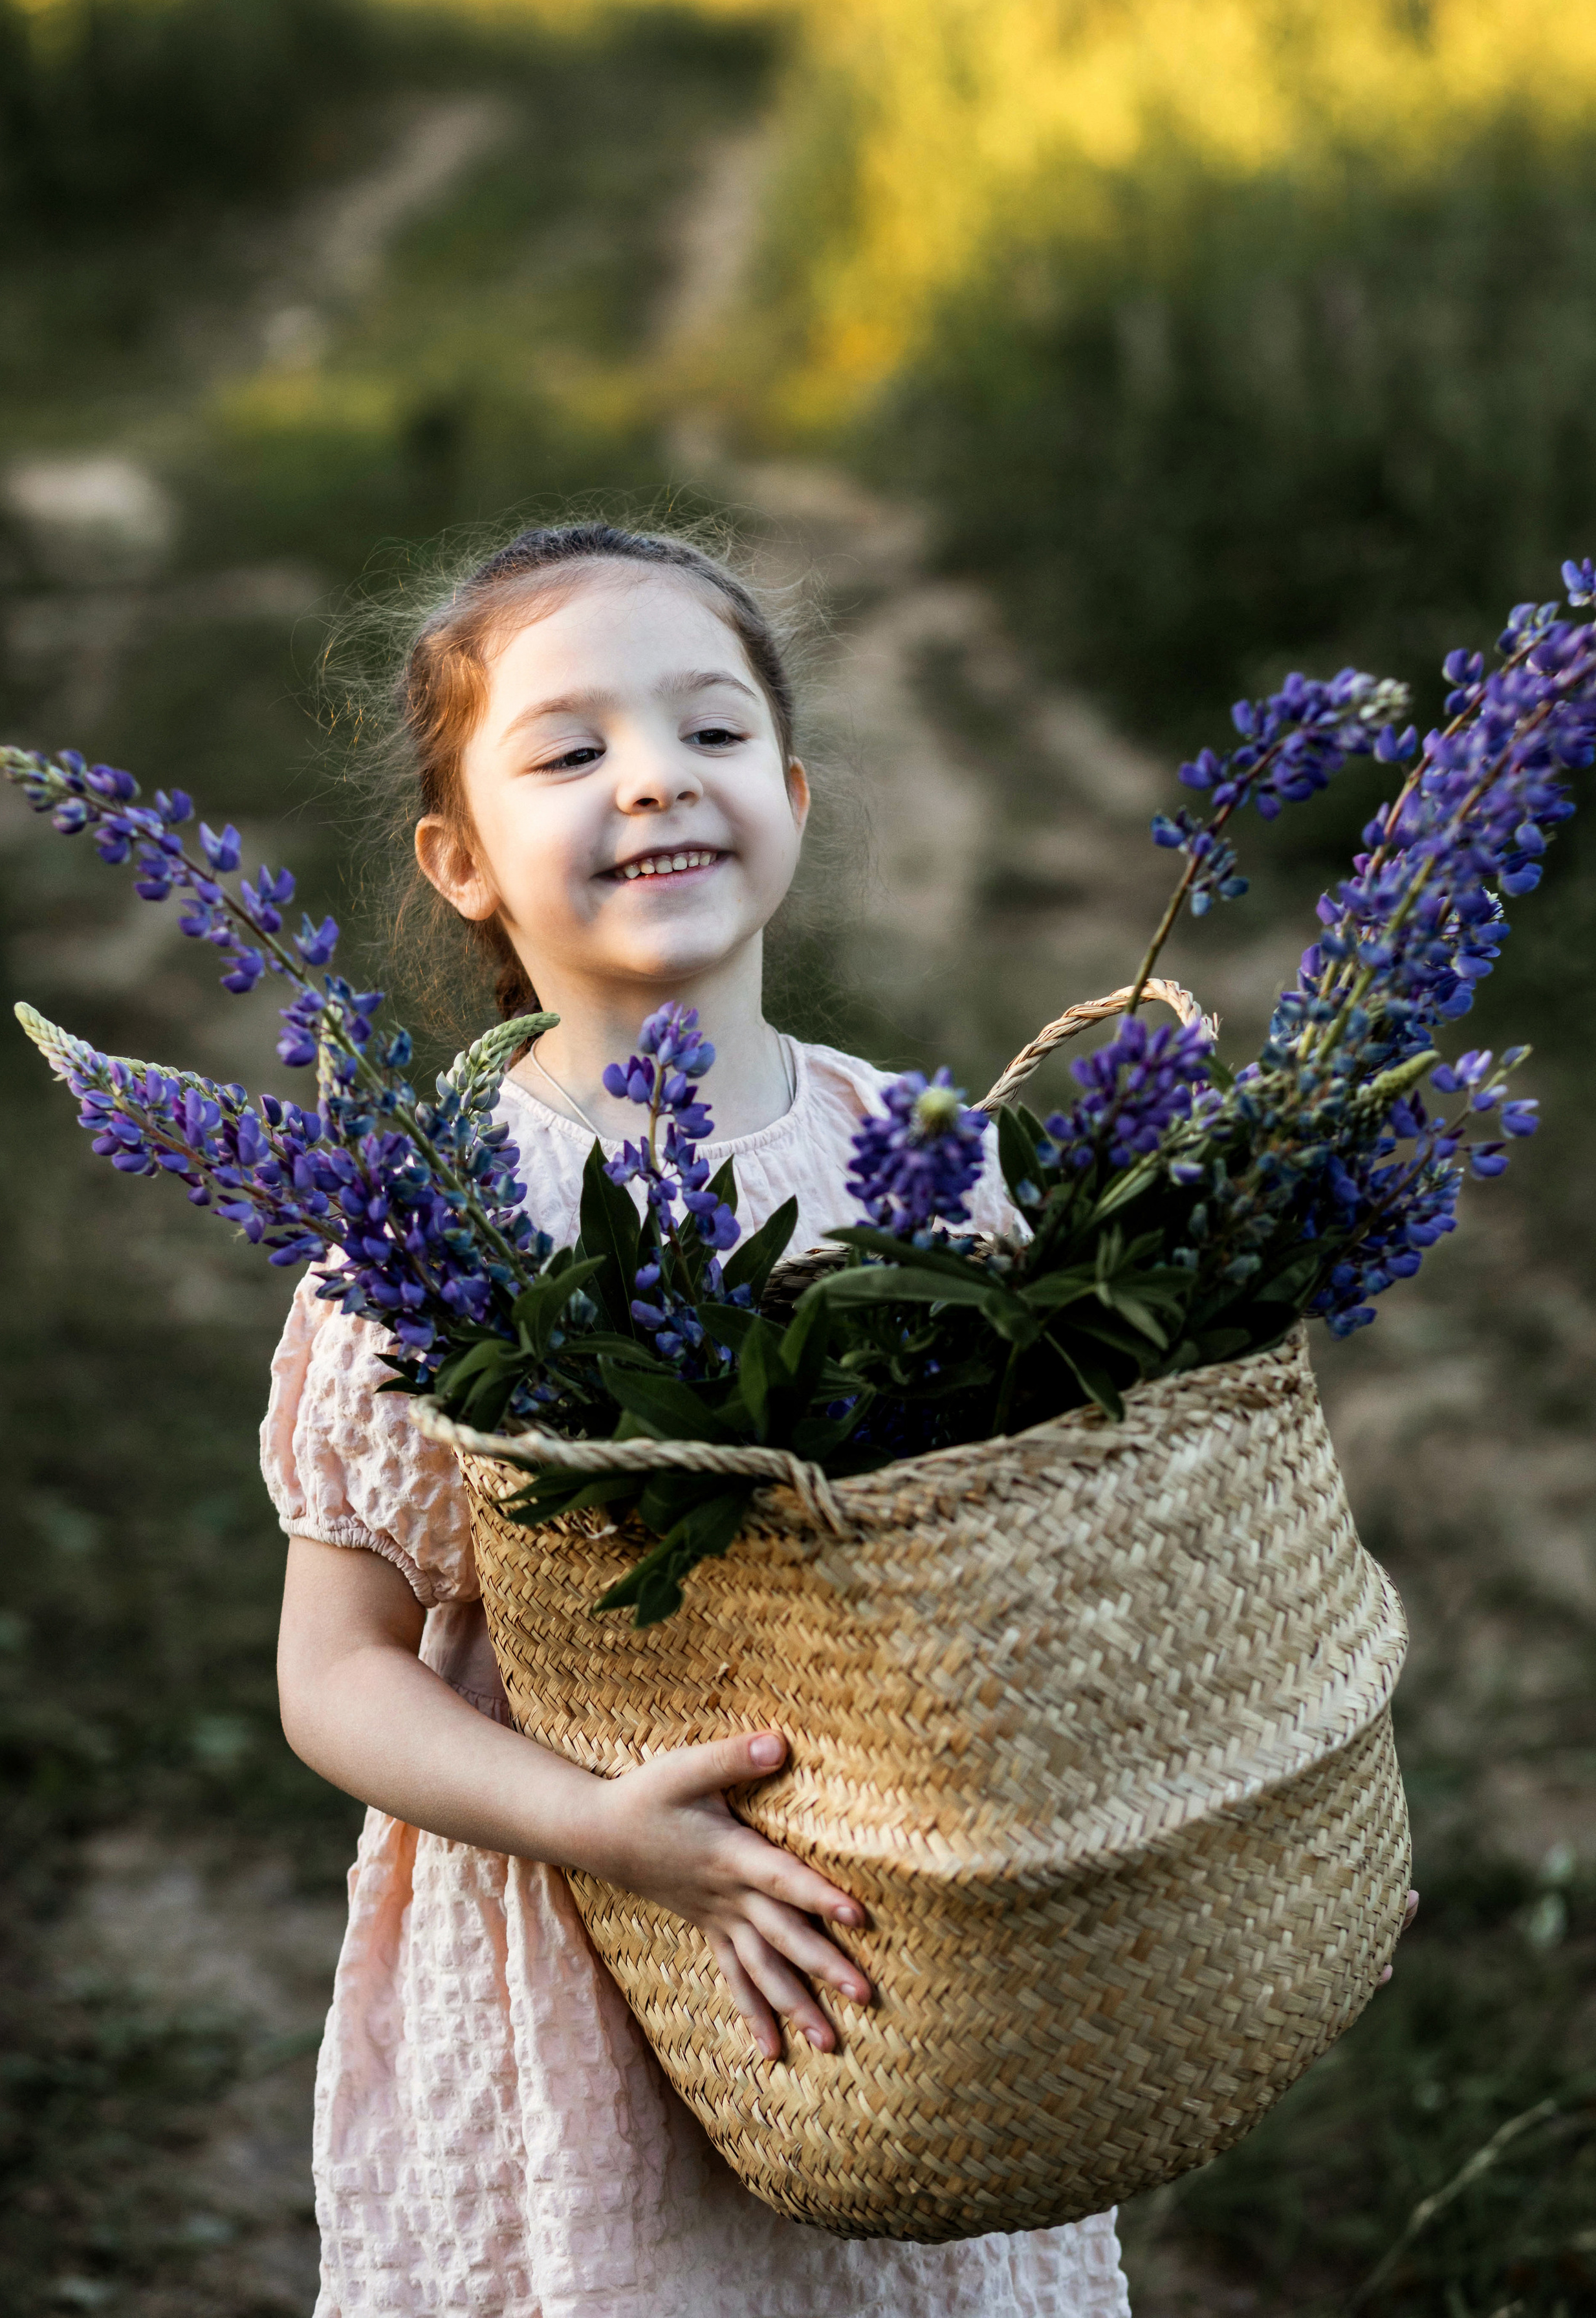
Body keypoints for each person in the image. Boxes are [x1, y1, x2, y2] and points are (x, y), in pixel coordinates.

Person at [261, 520, 1136, 2315]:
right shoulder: (435, 1221)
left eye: (711, 731)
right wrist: (599, 1829)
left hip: (911, 1934)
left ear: (795, 797)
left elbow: (1064, 1540)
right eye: (570, 750)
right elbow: (336, 1669)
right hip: (582, 1923)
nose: (654, 778)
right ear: (463, 862)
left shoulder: (935, 1168)